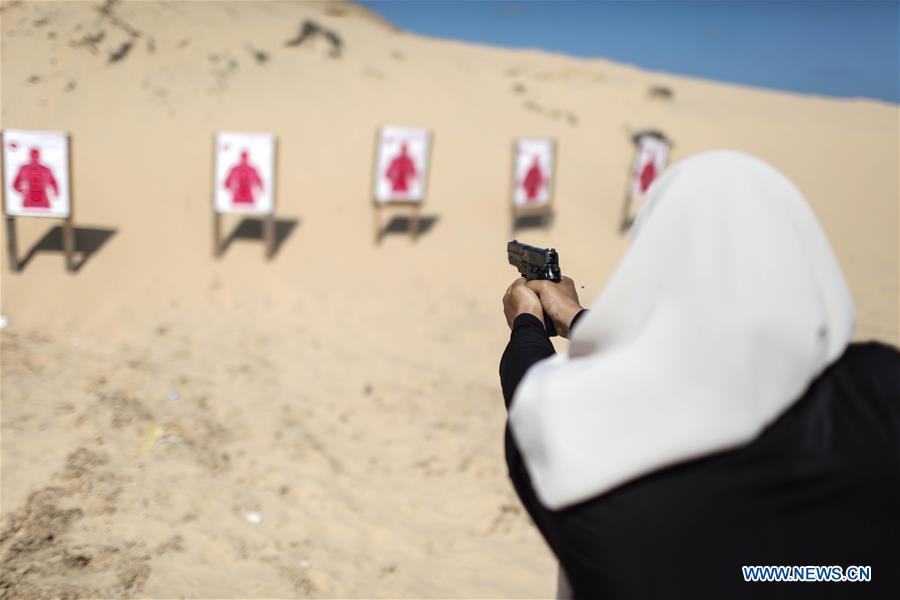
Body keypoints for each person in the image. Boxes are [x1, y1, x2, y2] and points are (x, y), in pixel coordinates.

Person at [500, 151, 899, 599]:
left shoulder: (593, 456)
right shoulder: (881, 395)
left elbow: (534, 400)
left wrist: (529, 323)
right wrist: (575, 317)